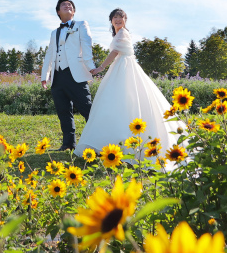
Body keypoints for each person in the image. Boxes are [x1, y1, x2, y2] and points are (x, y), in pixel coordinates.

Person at [74, 8, 185, 160]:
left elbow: (114, 53)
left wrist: (101, 67)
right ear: (111, 20)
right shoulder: (118, 34)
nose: (118, 20)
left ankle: (124, 143)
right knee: (116, 103)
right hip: (120, 67)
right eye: (115, 17)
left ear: (125, 20)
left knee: (125, 100)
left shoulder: (123, 33)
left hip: (125, 68)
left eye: (121, 17)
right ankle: (111, 141)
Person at [40, 0, 98, 151]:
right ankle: (68, 144)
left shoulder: (81, 25)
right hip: (57, 77)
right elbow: (49, 54)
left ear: (74, 11)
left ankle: (97, 141)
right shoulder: (54, 33)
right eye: (63, 5)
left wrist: (91, 67)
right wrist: (44, 76)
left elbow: (87, 45)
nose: (67, 5)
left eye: (70, 4)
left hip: (76, 74)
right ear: (58, 12)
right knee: (63, 111)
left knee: (87, 108)